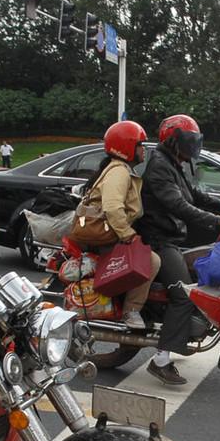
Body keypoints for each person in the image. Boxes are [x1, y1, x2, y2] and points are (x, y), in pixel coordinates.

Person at [135, 114, 220, 385]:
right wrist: (218, 220)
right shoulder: (160, 166)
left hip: (170, 237)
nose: (193, 146)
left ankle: (181, 335)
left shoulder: (174, 163)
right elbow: (178, 205)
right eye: (188, 140)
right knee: (183, 295)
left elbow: (194, 195)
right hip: (157, 239)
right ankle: (160, 361)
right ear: (173, 141)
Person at [72, 121, 161, 330]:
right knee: (151, 261)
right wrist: (127, 234)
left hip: (109, 232)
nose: (144, 150)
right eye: (140, 145)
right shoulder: (119, 171)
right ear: (127, 147)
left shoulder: (118, 168)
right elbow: (112, 208)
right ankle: (132, 311)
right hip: (104, 234)